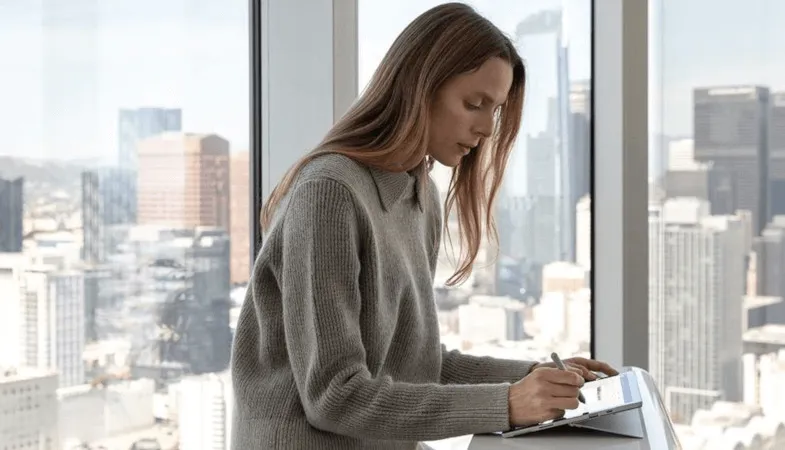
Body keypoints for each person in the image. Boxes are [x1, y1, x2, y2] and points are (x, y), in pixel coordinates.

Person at [230, 3, 617, 449]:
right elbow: (334, 395)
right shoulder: (329, 194)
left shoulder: (420, 195)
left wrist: (532, 377)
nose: (487, 129)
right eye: (475, 104)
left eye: (495, 110)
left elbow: (416, 363)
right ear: (420, 87)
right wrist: (508, 403)